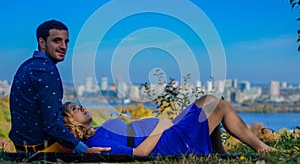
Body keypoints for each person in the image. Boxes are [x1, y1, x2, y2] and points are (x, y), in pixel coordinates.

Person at [9, 19, 110, 153]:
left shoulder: (28, 65)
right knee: (102, 139)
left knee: (97, 131)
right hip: (44, 149)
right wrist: (85, 151)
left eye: (66, 42)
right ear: (42, 42)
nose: (63, 46)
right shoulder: (46, 70)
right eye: (57, 40)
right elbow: (53, 126)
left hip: (22, 147)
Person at [62, 95, 275, 157]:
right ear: (70, 123)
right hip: (165, 142)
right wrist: (159, 127)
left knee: (206, 102)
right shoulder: (96, 141)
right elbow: (139, 153)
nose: (81, 107)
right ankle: (261, 148)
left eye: (79, 105)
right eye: (74, 109)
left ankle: (218, 152)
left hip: (166, 132)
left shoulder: (97, 132)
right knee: (217, 105)